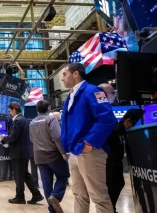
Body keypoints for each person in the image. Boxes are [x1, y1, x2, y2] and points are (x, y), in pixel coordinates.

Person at [60, 63, 117, 213]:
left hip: (90, 151)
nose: (62, 78)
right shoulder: (70, 96)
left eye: (64, 74)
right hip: (74, 152)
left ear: (75, 74)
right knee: (79, 194)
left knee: (98, 196)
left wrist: (89, 142)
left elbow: (107, 119)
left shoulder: (93, 91)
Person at [0, 102, 44, 205]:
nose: (10, 113)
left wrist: (4, 139)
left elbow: (13, 136)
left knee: (19, 176)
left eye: (10, 110)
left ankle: (20, 197)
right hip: (23, 152)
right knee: (25, 174)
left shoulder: (18, 121)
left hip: (18, 153)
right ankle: (36, 194)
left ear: (14, 109)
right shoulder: (24, 119)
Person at [99, 83, 133, 213]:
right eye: (112, 92)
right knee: (112, 185)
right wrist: (121, 126)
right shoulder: (101, 109)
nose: (115, 95)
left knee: (117, 184)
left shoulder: (106, 109)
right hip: (108, 156)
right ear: (103, 94)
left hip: (114, 156)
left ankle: (110, 209)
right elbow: (105, 131)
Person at [30, 100, 69, 213]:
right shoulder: (51, 119)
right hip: (53, 154)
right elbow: (57, 137)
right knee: (63, 176)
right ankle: (55, 196)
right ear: (48, 108)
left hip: (39, 156)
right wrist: (63, 152)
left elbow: (31, 139)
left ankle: (52, 209)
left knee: (47, 183)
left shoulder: (31, 122)